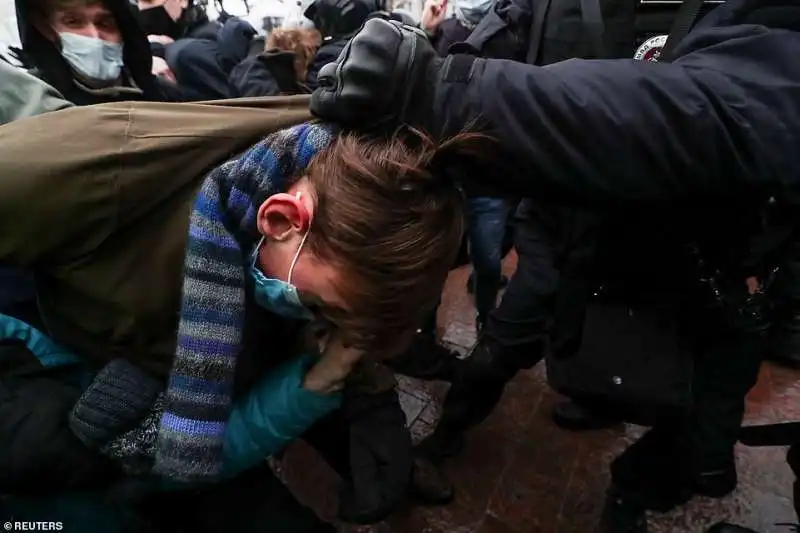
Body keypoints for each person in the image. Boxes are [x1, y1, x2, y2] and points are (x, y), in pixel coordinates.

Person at [308, 4, 800, 531]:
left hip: (706, 264)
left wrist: (438, 91)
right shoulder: (547, 7)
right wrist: (403, 70)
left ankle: (630, 489)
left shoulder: (757, 14)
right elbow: (489, 43)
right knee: (499, 349)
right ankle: (448, 434)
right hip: (566, 227)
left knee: (702, 450)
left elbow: (729, 111)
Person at [0, 96, 498, 531]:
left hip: (201, 394)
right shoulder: (106, 168)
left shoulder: (331, 197)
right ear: (279, 218)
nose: (313, 316)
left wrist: (363, 403)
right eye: (320, 306)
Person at [14, 0, 191, 105]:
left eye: (104, 22)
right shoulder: (38, 104)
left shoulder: (165, 95)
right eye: (73, 22)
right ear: (47, 29)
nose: (94, 37)